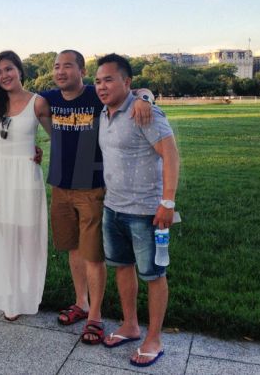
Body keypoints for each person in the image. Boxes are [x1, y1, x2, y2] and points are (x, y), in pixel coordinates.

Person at [40, 50, 154, 345]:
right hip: (60, 186)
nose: (60, 71)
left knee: (93, 254)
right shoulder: (50, 98)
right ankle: (81, 302)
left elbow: (138, 91)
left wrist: (145, 98)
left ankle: (95, 316)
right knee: (73, 249)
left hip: (92, 188)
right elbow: (16, 97)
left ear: (82, 71)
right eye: (56, 66)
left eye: (67, 66)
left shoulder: (96, 94)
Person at [96, 54, 179, 368]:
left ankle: (154, 338)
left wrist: (167, 202)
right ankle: (130, 325)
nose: (102, 86)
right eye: (98, 81)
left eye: (109, 79)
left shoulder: (145, 112)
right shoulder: (104, 113)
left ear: (127, 82)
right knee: (122, 267)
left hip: (146, 211)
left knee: (154, 275)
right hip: (113, 208)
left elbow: (171, 155)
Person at [0, 50, 51, 320]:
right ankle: (10, 295)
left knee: (27, 237)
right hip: (0, 174)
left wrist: (38, 152)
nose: (4, 75)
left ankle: (28, 294)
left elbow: (58, 137)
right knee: (4, 234)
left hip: (25, 175)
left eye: (9, 69)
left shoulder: (38, 103)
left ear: (20, 71)